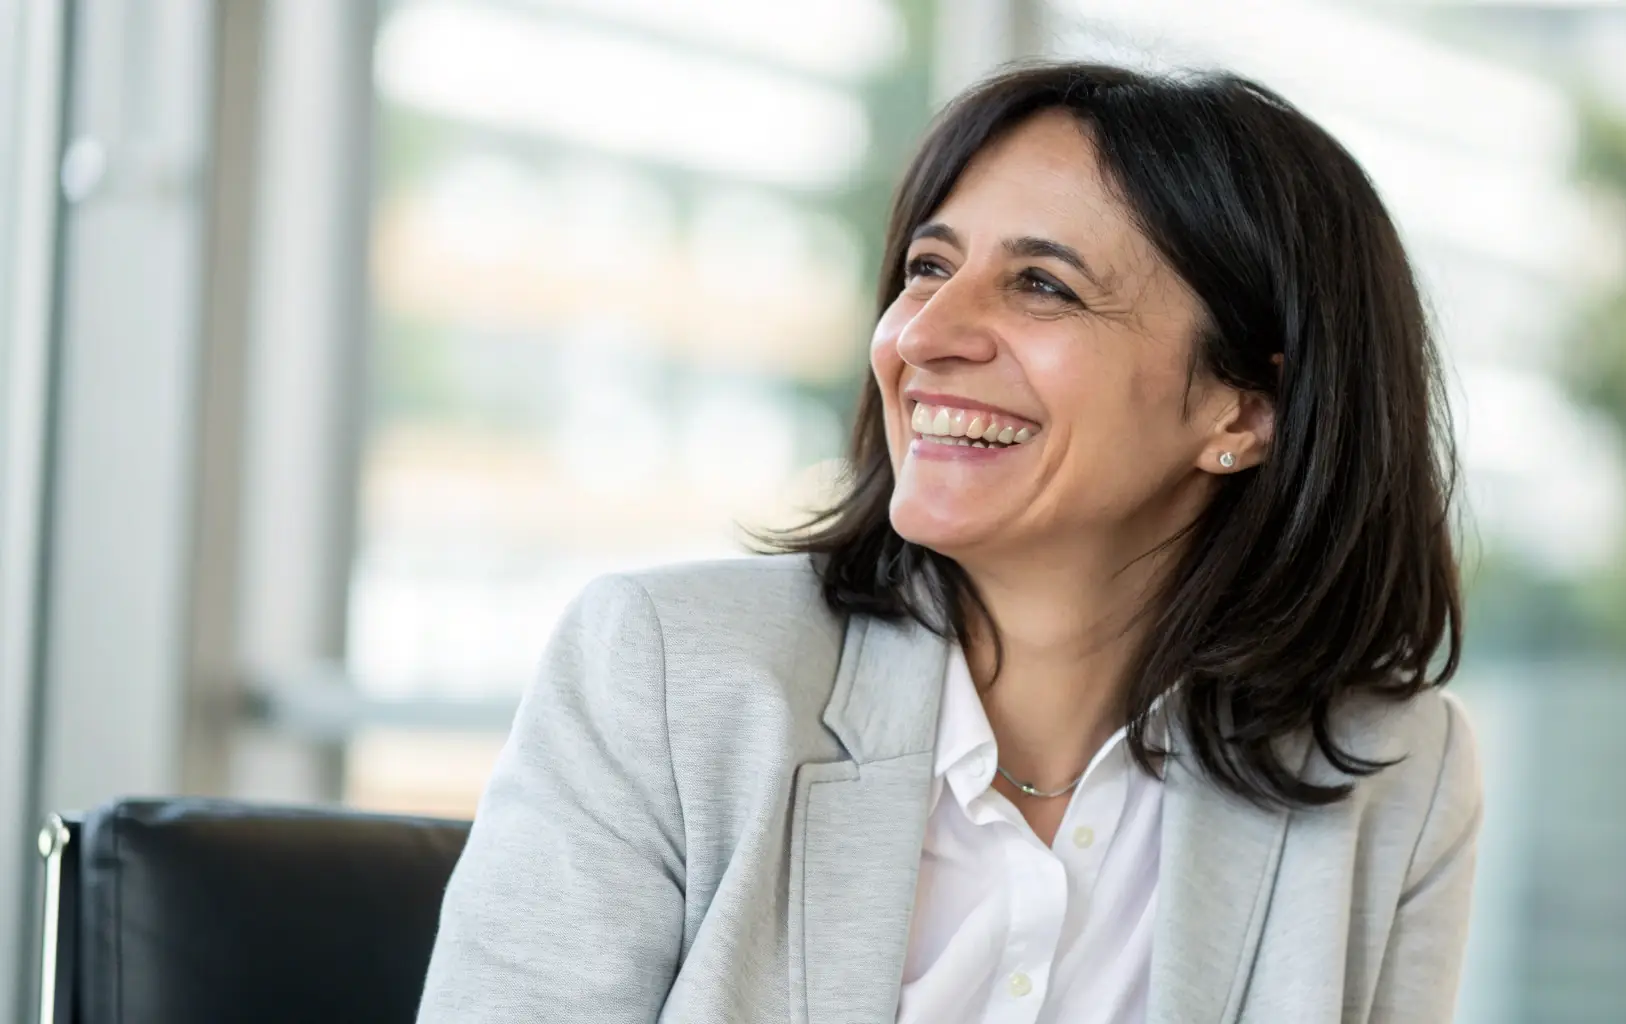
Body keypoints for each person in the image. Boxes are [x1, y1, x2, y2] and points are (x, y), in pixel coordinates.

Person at [417, 61, 1481, 1024]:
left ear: (1244, 412)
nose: (918, 334)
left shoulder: (1395, 771)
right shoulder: (667, 676)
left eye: (1041, 285)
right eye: (928, 267)